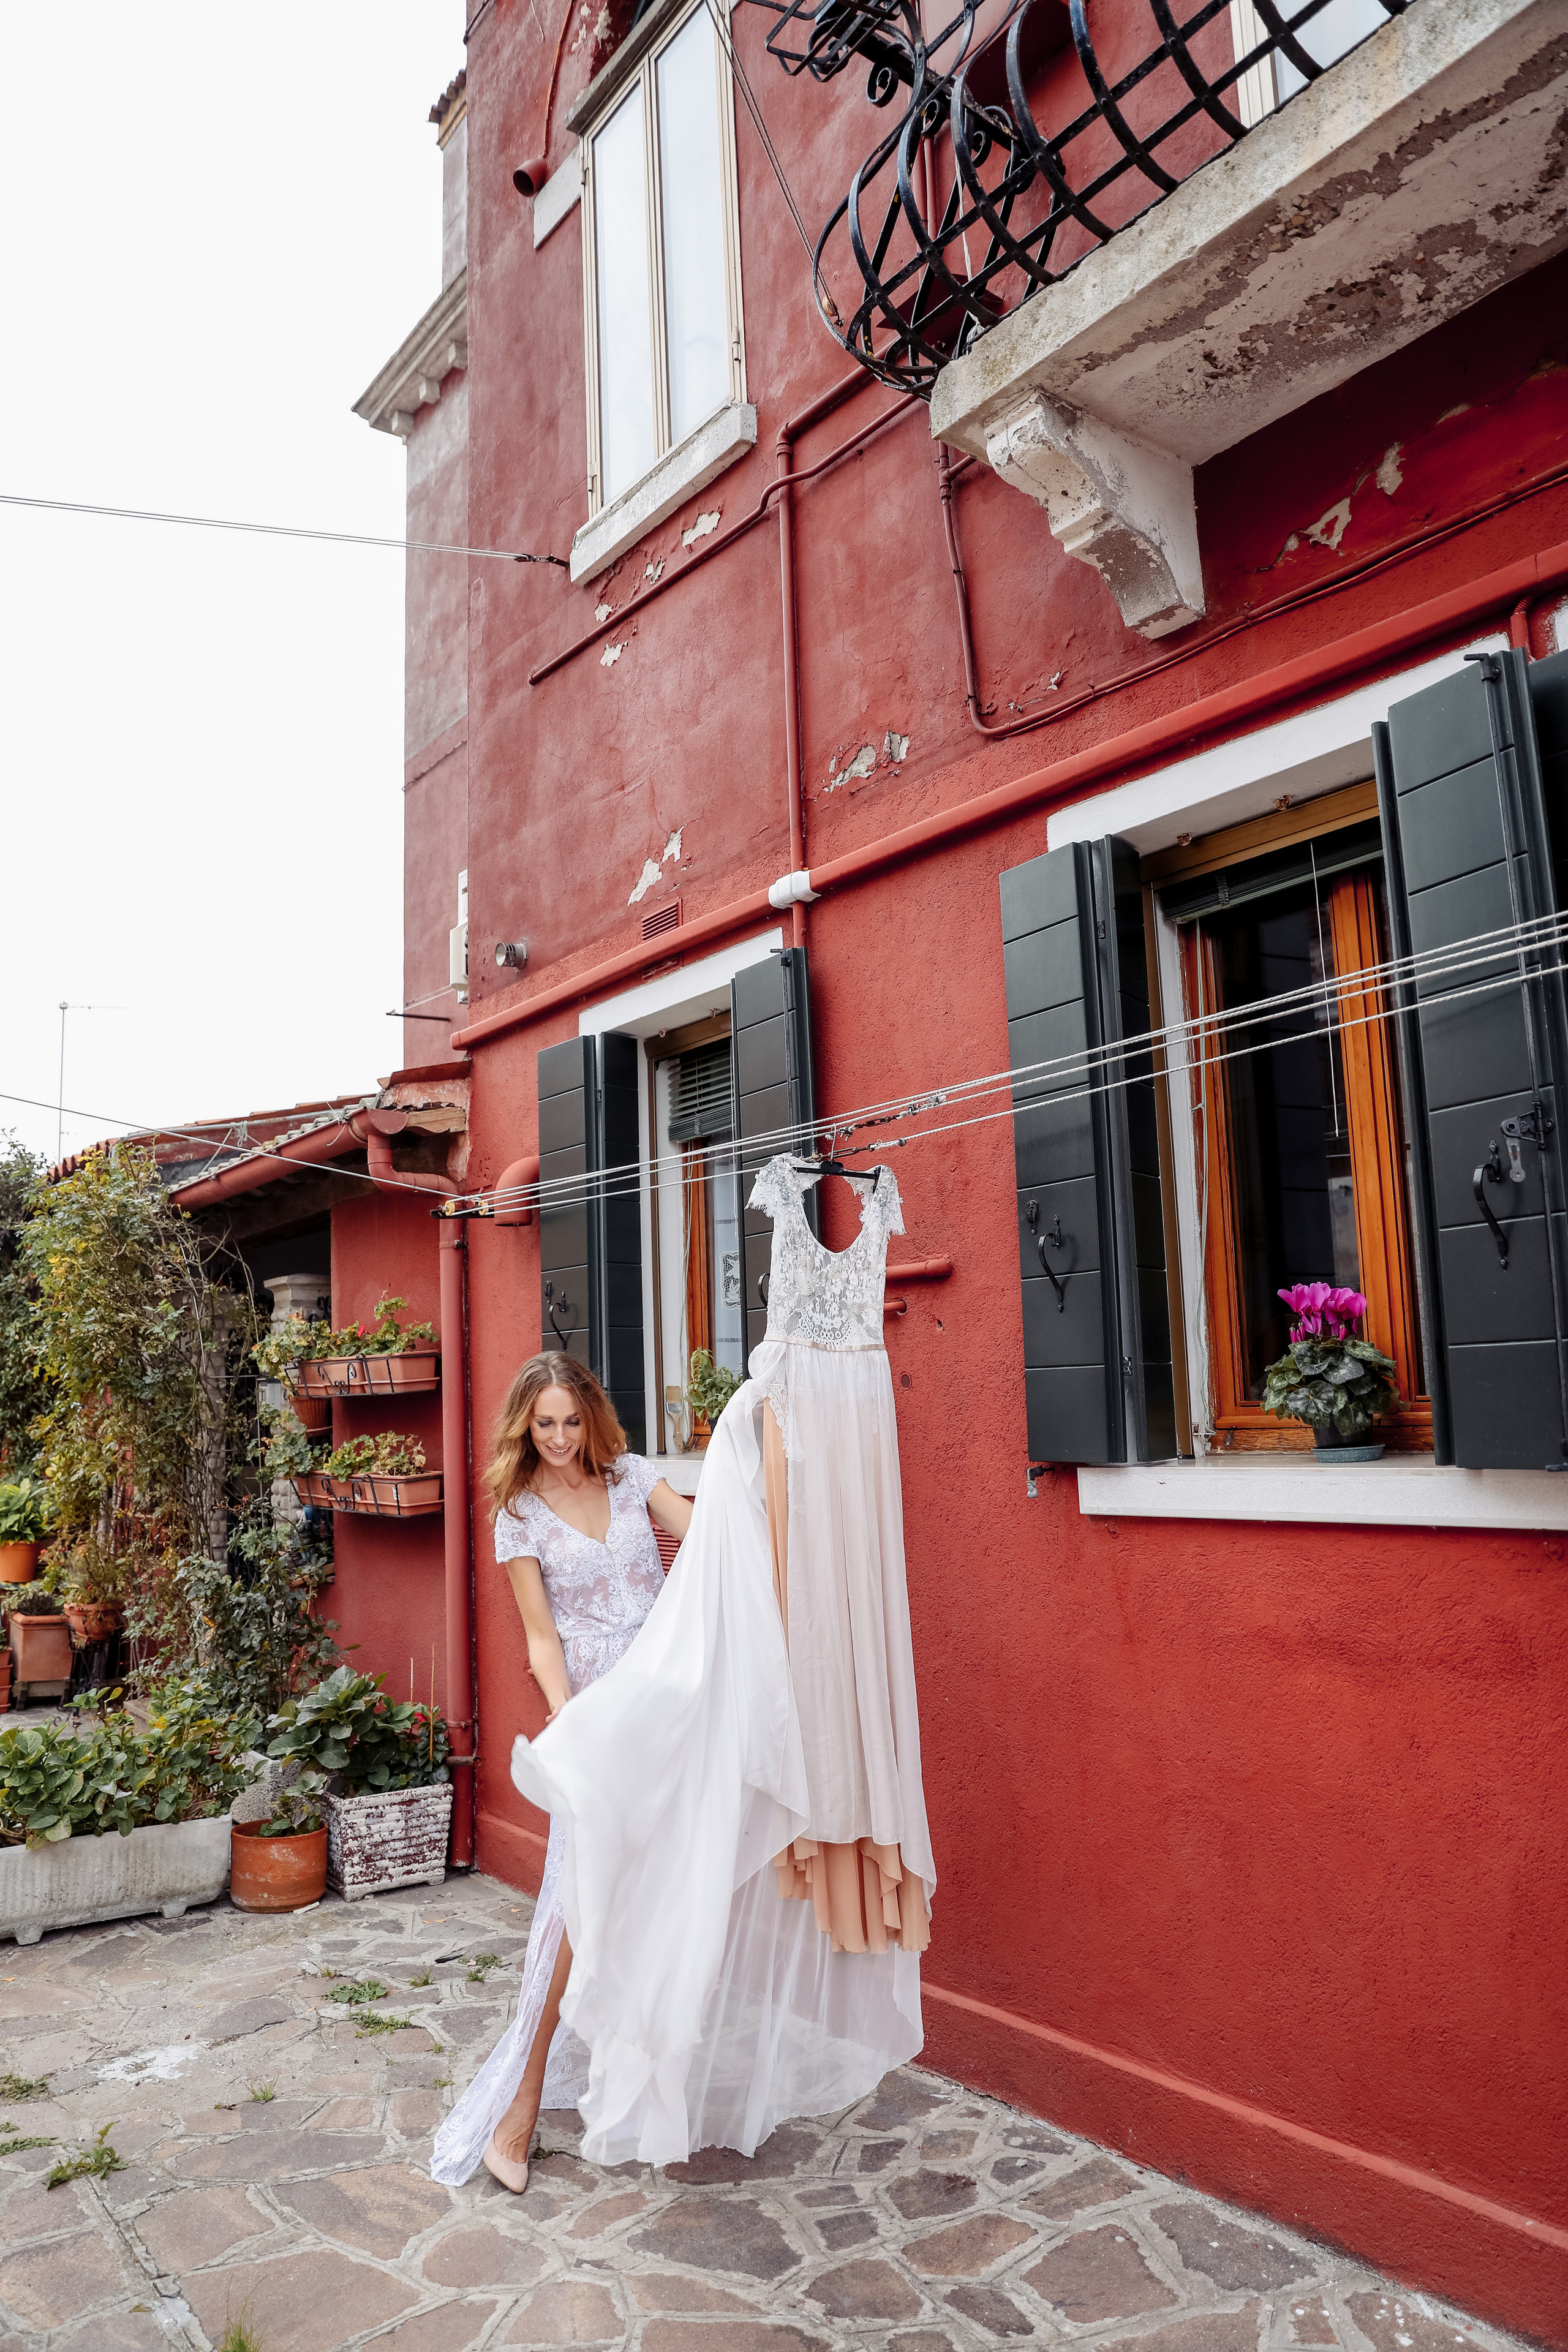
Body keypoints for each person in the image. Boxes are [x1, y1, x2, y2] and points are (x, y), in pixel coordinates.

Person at [427, 1352, 691, 2194]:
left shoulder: (632, 1478)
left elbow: (704, 1533)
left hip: (666, 1697)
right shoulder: (520, 1515)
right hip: (594, 1712)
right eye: (544, 1424)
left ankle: (645, 2078)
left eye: (572, 1421)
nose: (561, 1438)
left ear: (592, 1417)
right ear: (524, 1426)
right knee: (576, 1901)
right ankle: (520, 2105)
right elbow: (542, 1637)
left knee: (655, 1891)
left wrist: (763, 1455)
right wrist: (567, 1713)